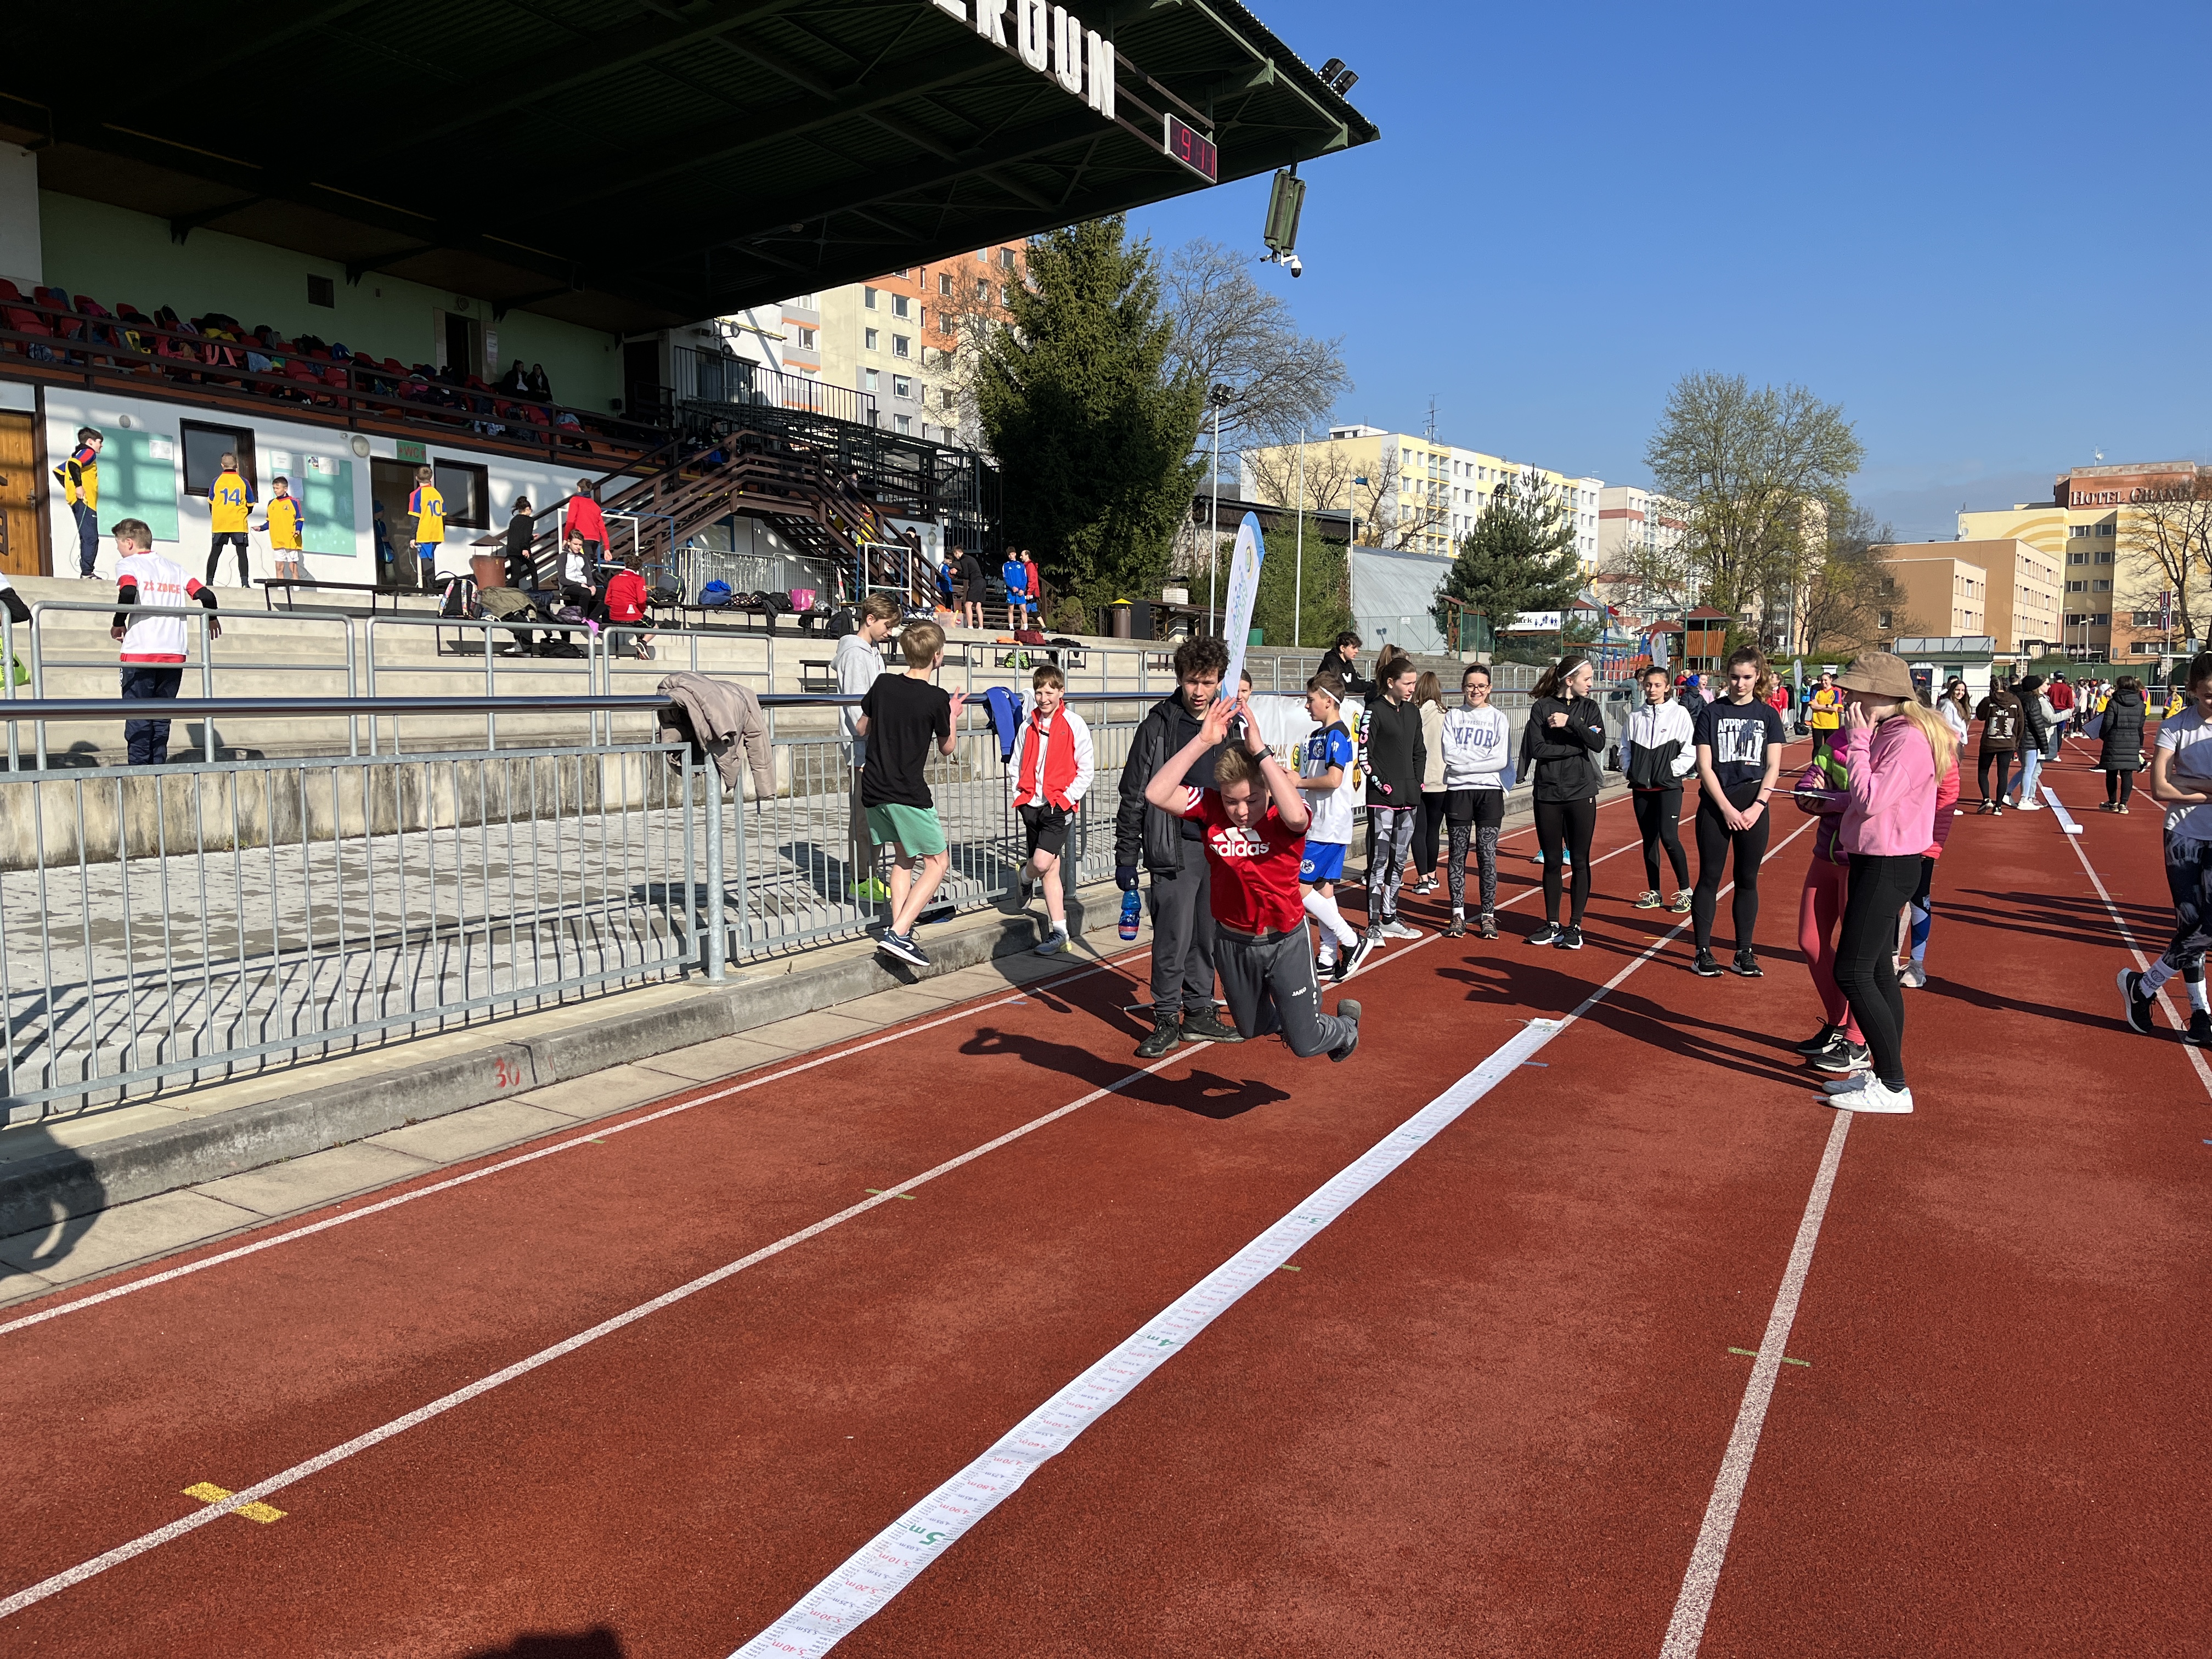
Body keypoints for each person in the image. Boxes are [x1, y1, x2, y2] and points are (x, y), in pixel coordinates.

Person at [1143, 687, 1362, 1062]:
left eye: (1252, 800)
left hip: (1284, 940)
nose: (1242, 811)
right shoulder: (1211, 807)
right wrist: (1202, 741)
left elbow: (1298, 817)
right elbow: (1156, 793)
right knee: (1250, 1028)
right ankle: (1296, 1020)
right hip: (1233, 942)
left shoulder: (1284, 814)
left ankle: (1345, 1028)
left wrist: (1261, 752)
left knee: (1305, 1043)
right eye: (1232, 801)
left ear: (1269, 791)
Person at [1821, 652, 1951, 1114]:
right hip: (1875, 860)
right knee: (1877, 971)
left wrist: (1857, 742)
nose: (1847, 699)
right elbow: (1876, 798)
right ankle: (1884, 1074)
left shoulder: (1907, 739)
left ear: (1880, 693)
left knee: (1851, 971)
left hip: (1888, 864)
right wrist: (1831, 799)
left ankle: (1894, 1085)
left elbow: (1871, 799)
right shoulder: (1893, 733)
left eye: (1854, 690)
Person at [1116, 634, 1246, 1058]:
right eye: (1192, 681)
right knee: (1173, 938)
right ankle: (1166, 1017)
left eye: (1208, 682)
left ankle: (1200, 1011)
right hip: (1173, 846)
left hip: (1219, 848)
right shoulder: (1158, 725)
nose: (1199, 691)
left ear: (1219, 681)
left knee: (1206, 936)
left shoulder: (1230, 724)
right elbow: (1134, 792)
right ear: (1179, 678)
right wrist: (1126, 856)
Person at [856, 618, 967, 968]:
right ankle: (899, 932)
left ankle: (898, 930)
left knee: (904, 858)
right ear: (937, 656)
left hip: (874, 788)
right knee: (938, 862)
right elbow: (947, 748)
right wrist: (953, 714)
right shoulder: (936, 698)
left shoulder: (883, 683)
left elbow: (861, 727)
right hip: (907, 792)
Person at [2123, 650, 2212, 1046]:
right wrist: (2208, 793)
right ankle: (2200, 1013)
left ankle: (2144, 985)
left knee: (2209, 926)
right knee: (2190, 924)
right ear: (2192, 690)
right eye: (2208, 694)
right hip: (2184, 835)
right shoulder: (2175, 726)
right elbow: (2159, 788)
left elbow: (2173, 783)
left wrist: (2187, 784)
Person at [1689, 646, 1786, 977]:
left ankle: (1744, 951)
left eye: (1746, 677)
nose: (1739, 684)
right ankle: (1702, 951)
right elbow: (1704, 766)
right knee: (1709, 877)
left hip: (1753, 806)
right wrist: (1726, 808)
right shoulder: (1711, 713)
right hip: (1717, 806)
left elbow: (1773, 766)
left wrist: (1758, 806)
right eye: (1734, 677)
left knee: (1747, 879)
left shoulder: (1768, 715)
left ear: (1758, 677)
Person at [110, 518, 221, 765]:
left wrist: (118, 622)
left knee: (138, 715)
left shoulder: (128, 564)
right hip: (173, 652)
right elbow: (206, 595)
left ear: (129, 543)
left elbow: (128, 591)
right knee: (161, 716)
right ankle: (159, 767)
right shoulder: (174, 568)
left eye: (118, 543)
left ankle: (139, 770)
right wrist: (212, 618)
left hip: (140, 651)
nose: (118, 549)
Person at [1005, 662, 1094, 956]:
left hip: (1059, 806)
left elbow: (1086, 769)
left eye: (1049, 692)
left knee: (1041, 863)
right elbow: (1016, 763)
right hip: (1031, 804)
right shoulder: (1027, 726)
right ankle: (1060, 933)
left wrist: (1067, 799)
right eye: (1039, 693)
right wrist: (1020, 792)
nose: (1044, 699)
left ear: (1061, 692)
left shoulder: (1074, 724)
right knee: (1050, 868)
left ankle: (1024, 876)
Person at [1522, 652, 1607, 949]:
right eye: (1587, 679)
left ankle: (1576, 926)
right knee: (1552, 861)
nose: (1591, 684)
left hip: (1581, 793)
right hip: (1547, 793)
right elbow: (1537, 749)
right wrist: (1575, 748)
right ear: (1569, 680)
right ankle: (1552, 923)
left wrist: (1572, 724)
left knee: (1580, 860)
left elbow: (1598, 743)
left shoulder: (1590, 708)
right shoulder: (1542, 707)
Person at [1296, 672, 1369, 978]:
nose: (1307, 705)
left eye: (1311, 699)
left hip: (1328, 827)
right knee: (1324, 890)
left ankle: (1352, 940)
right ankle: (1327, 955)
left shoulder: (1338, 735)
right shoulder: (1318, 735)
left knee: (1298, 888)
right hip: (1319, 825)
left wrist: (1298, 781)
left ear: (1328, 701)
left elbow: (1334, 780)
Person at [1358, 651, 1426, 945]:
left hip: (1410, 798)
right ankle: (1373, 923)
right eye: (1407, 683)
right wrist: (1383, 785)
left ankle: (1390, 916)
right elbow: (1365, 756)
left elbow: (1419, 751)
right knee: (1379, 860)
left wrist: (1417, 783)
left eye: (1414, 683)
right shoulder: (1373, 711)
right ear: (1390, 682)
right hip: (1382, 800)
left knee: (1399, 861)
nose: (1412, 689)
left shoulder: (1413, 712)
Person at [1440, 662, 1512, 939]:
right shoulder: (1453, 717)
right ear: (1463, 688)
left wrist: (1465, 765)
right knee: (1457, 854)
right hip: (1459, 792)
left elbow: (1500, 760)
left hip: (1490, 792)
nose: (1476, 691)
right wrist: (1482, 762)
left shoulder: (1499, 719)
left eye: (1481, 686)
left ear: (1489, 688)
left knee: (1487, 855)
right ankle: (1457, 914)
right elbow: (1449, 755)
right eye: (1471, 686)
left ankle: (1488, 915)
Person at [839, 595, 900, 903]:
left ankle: (871, 874)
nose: (890, 632)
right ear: (870, 619)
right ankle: (860, 879)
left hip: (875, 744)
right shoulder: (854, 654)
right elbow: (856, 706)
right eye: (887, 626)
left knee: (876, 815)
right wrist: (871, 733)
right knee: (863, 816)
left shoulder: (874, 653)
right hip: (862, 746)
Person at [1621, 663, 1696, 912]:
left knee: (1669, 837)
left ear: (1667, 687)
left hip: (1668, 788)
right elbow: (1625, 749)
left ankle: (1686, 891)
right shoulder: (1635, 716)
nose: (1652, 689)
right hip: (1641, 789)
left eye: (1657, 685)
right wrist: (1630, 770)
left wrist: (1670, 771)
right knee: (1649, 840)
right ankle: (1655, 892)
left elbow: (1690, 749)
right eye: (1648, 685)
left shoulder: (1680, 714)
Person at [1898, 713, 1963, 991]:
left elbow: (1948, 794)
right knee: (1887, 902)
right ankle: (1888, 960)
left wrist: (1934, 843)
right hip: (1889, 838)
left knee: (1918, 898)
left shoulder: (1940, 744)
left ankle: (1917, 964)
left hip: (1921, 840)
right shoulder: (1887, 734)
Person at [1412, 670, 1449, 897]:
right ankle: (1433, 875)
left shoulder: (1414, 715)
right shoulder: (1447, 715)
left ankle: (1423, 878)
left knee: (1419, 830)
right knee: (1433, 830)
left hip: (1419, 778)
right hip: (1441, 779)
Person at [53, 426, 101, 578]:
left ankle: (87, 571)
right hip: (86, 502)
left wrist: (71, 488)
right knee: (91, 538)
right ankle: (87, 573)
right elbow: (74, 464)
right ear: (90, 442)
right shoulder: (89, 452)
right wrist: (78, 486)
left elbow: (59, 471)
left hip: (79, 502)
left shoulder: (78, 454)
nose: (101, 446)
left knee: (86, 537)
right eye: (100, 442)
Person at [1973, 676, 2024, 812]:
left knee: (1983, 771)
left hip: (1990, 742)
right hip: (2008, 742)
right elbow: (2021, 723)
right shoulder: (2015, 701)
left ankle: (1986, 799)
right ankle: (1999, 806)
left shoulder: (1989, 700)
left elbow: (1980, 716)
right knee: (2003, 773)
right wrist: (2016, 743)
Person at [2098, 675, 2148, 812]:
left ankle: (2113, 802)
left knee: (2111, 773)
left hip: (2114, 739)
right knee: (2127, 773)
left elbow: (2107, 724)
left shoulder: (2113, 703)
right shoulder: (2140, 705)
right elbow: (2140, 725)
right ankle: (2123, 804)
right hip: (2132, 740)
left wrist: (2103, 736)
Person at [206, 452, 256, 586]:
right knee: (242, 553)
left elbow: (211, 502)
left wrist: (216, 516)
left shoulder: (216, 481)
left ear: (222, 465)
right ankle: (245, 583)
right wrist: (243, 514)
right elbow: (251, 504)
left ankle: (209, 581)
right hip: (238, 522)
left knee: (215, 552)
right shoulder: (243, 482)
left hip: (220, 523)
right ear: (237, 465)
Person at [2008, 673, 2052, 809]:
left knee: (2024, 769)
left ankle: (2008, 792)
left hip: (2020, 738)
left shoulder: (2018, 699)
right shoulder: (2033, 702)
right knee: (2029, 770)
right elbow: (2037, 725)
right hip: (2030, 740)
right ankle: (2024, 799)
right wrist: (2044, 745)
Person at [257, 475, 306, 583]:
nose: (275, 490)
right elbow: (270, 522)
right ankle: (280, 589)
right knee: (279, 567)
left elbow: (299, 519)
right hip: (277, 540)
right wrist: (261, 528)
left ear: (285, 489)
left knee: (293, 567)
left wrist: (298, 530)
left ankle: (296, 589)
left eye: (278, 488)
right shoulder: (271, 503)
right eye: (274, 488)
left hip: (291, 540)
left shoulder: (294, 502)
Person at [601, 558, 651, 657]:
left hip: (614, 617)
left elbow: (607, 600)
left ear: (625, 565)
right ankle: (643, 642)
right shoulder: (639, 579)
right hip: (632, 617)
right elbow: (641, 601)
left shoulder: (614, 579)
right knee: (655, 627)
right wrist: (641, 611)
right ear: (639, 567)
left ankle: (642, 645)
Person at [407, 465, 444, 591]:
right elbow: (443, 516)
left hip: (424, 532)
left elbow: (415, 517)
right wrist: (442, 532)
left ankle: (432, 590)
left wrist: (413, 537)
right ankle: (432, 588)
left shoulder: (416, 494)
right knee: (430, 559)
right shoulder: (437, 494)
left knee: (426, 561)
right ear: (431, 479)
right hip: (437, 532)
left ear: (417, 478)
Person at [564, 478, 608, 563]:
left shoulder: (575, 500)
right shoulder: (595, 506)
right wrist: (607, 547)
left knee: (583, 565)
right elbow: (602, 528)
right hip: (595, 540)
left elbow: (571, 521)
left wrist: (566, 538)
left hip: (582, 538)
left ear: (579, 488)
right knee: (589, 563)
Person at [1325, 630, 1376, 697]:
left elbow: (1355, 682)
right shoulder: (1331, 662)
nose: (1357, 651)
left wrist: (1372, 684)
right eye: (1354, 648)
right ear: (1342, 648)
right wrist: (1369, 686)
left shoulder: (1348, 662)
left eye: (1357, 648)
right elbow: (1341, 686)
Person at [1807, 668, 1842, 759]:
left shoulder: (1836, 691)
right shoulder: (1816, 691)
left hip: (1831, 724)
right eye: (1822, 680)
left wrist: (1819, 706)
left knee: (1829, 747)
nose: (1823, 682)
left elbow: (1834, 709)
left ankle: (1828, 765)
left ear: (1831, 680)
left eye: (1826, 680)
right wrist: (1827, 706)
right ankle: (1815, 765)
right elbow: (1813, 706)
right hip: (1817, 723)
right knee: (1817, 747)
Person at [504, 495, 538, 588]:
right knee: (533, 570)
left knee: (516, 575)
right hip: (522, 550)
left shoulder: (514, 520)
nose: (531, 512)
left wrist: (531, 537)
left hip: (512, 550)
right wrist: (525, 548)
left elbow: (517, 535)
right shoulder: (529, 520)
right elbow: (525, 535)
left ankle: (508, 592)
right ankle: (536, 592)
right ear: (527, 509)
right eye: (531, 510)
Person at [954, 545, 986, 630]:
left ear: (957, 553)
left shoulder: (964, 560)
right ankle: (981, 627)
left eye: (955, 555)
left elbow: (966, 575)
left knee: (968, 605)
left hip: (976, 582)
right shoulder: (971, 558)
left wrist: (956, 573)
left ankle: (970, 627)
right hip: (982, 581)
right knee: (978, 606)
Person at [1001, 548, 1032, 630]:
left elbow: (1025, 578)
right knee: (1011, 609)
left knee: (1023, 609)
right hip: (1010, 591)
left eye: (1012, 554)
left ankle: (1026, 628)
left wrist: (1022, 589)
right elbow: (1005, 578)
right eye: (1009, 554)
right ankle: (1011, 627)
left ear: (1015, 554)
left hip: (1020, 591)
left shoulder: (1021, 565)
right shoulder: (1006, 565)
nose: (1011, 556)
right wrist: (1012, 587)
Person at [1938, 678, 1972, 743]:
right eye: (1957, 690)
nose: (1960, 693)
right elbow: (1946, 724)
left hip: (1958, 742)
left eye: (1963, 690)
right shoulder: (1948, 705)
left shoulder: (1960, 705)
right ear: (1952, 690)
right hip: (1951, 742)